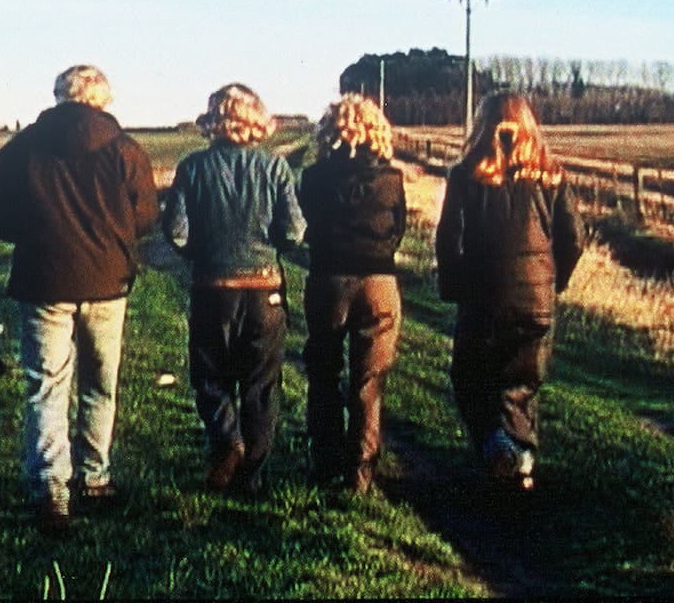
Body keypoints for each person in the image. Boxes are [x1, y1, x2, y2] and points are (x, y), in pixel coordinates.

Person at [0, 65, 157, 531]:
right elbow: (146, 216)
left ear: (59, 96)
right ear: (104, 99)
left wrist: (31, 236)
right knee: (101, 383)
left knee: (46, 386)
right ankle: (96, 478)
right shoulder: (125, 149)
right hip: (108, 283)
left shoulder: (22, 148)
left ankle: (52, 486)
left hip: (43, 281)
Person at [434, 92, 584, 492]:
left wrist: (453, 286)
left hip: (482, 298)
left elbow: (449, 240)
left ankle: (498, 447)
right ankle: (522, 458)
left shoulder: (466, 175)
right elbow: (574, 239)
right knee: (521, 384)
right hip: (536, 300)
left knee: (469, 377)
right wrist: (554, 283)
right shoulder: (551, 175)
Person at [162, 83, 305, 496]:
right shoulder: (275, 167)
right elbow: (294, 232)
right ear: (255, 120)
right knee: (261, 383)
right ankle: (252, 474)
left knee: (210, 375)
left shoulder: (191, 168)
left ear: (214, 121)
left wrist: (201, 254)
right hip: (264, 288)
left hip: (212, 286)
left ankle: (227, 440)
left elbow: (175, 230)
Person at [298, 94, 407, 494]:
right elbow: (398, 231)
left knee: (324, 371)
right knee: (369, 379)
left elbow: (304, 224)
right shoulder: (392, 179)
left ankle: (324, 460)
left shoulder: (312, 178)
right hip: (378, 281)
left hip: (328, 278)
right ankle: (361, 469)